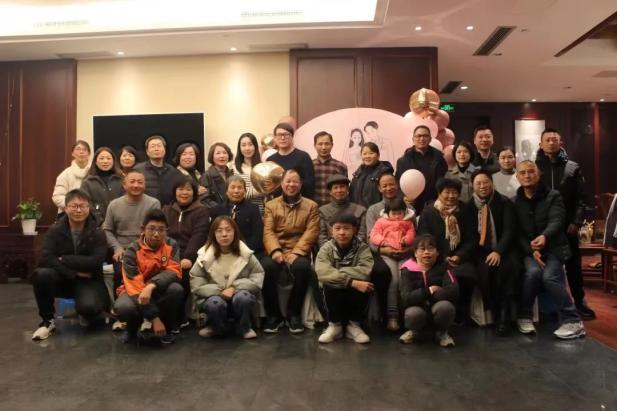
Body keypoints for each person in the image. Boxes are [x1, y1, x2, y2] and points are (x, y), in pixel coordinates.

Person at [513, 160, 585, 339]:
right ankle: (525, 316)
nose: (527, 175)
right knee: (532, 273)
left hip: (554, 248)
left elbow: (557, 221)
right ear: (517, 177)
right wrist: (532, 251)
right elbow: (517, 233)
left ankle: (573, 320)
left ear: (538, 174)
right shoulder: (515, 201)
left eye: (531, 171)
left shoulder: (553, 196)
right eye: (522, 173)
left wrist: (544, 237)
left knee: (549, 277)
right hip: (531, 251)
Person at [32, 189, 110, 340]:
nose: (78, 210)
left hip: (88, 280)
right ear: (66, 208)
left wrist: (65, 259)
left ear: (89, 208)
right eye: (74, 206)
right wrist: (74, 273)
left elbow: (96, 261)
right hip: (64, 278)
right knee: (41, 274)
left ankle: (90, 313)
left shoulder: (97, 231)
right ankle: (47, 321)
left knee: (89, 308)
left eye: (83, 206)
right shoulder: (55, 230)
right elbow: (47, 258)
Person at [535, 128, 595, 319]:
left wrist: (577, 221)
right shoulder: (534, 168)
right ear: (540, 144)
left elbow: (581, 198)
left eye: (555, 139)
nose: (551, 142)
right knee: (544, 266)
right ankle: (548, 308)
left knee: (573, 266)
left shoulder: (572, 167)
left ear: (561, 143)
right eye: (547, 140)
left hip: (568, 225)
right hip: (543, 227)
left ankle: (579, 301)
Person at [261, 169, 319, 334]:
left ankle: (294, 314)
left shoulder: (311, 206)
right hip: (276, 248)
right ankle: (274, 315)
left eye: (295, 181)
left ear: (300, 184)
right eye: (288, 181)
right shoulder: (271, 205)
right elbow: (268, 231)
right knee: (266, 266)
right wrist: (275, 251)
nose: (291, 185)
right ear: (281, 184)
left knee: (302, 268)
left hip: (298, 249)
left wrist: (297, 252)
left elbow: (311, 232)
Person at [113, 209, 184, 344]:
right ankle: (131, 330)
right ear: (143, 229)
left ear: (166, 231)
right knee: (124, 307)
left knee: (176, 290)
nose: (156, 234)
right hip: (133, 292)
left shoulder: (171, 245)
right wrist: (154, 318)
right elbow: (134, 287)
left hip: (158, 289)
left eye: (161, 230)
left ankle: (167, 329)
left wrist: (151, 285)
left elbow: (174, 270)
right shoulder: (131, 251)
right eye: (151, 229)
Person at [190, 216, 264, 339]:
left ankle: (244, 327)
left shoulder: (245, 253)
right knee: (214, 303)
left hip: (238, 298)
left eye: (228, 230)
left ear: (235, 232)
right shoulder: (204, 256)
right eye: (219, 231)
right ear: (213, 234)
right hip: (215, 298)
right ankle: (216, 327)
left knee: (244, 297)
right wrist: (219, 291)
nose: (224, 234)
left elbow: (258, 275)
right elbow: (196, 282)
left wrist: (234, 288)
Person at [417, 178, 478, 322]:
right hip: (436, 258)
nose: (451, 196)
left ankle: (460, 314)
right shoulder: (429, 212)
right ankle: (436, 314)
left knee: (468, 275)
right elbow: (424, 238)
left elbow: (472, 239)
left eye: (454, 192)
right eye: (447, 192)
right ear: (439, 193)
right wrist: (442, 256)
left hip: (460, 258)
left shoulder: (466, 210)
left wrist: (459, 256)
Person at [470, 170, 519, 335]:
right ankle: (494, 310)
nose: (482, 186)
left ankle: (504, 314)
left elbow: (509, 230)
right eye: (478, 183)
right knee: (485, 269)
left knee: (507, 268)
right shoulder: (469, 206)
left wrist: (498, 251)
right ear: (473, 186)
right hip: (481, 251)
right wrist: (485, 252)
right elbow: (470, 236)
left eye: (486, 182)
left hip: (504, 248)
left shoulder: (504, 202)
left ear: (492, 183)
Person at [316, 212, 374, 344]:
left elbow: (365, 271)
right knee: (328, 282)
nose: (342, 232)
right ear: (331, 230)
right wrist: (351, 282)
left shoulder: (363, 248)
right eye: (337, 228)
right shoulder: (326, 249)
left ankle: (354, 326)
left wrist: (337, 272)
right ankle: (334, 326)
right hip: (334, 290)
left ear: (354, 230)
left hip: (354, 292)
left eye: (346, 228)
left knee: (364, 283)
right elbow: (322, 272)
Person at [162, 176, 210, 327]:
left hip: (191, 254)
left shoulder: (202, 210)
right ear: (174, 192)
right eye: (180, 189)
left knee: (183, 273)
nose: (184, 193)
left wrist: (188, 257)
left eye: (188, 189)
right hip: (168, 254)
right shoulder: (166, 210)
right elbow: (162, 235)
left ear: (194, 192)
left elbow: (199, 236)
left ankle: (179, 316)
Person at [103, 170, 161, 296]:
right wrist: (116, 248)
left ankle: (145, 301)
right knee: (120, 273)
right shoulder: (114, 205)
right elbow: (107, 229)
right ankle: (121, 304)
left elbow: (156, 230)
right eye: (132, 182)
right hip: (122, 251)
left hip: (146, 250)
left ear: (144, 185)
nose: (136, 185)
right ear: (124, 185)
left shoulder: (153, 203)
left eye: (140, 182)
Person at [366, 173, 412, 324]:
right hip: (382, 252)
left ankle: (408, 314)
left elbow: (415, 233)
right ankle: (390, 315)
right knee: (389, 276)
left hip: (406, 252)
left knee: (406, 277)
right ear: (379, 188)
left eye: (391, 184)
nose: (389, 188)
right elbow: (370, 237)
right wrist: (384, 250)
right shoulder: (373, 210)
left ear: (397, 185)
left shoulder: (409, 208)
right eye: (384, 185)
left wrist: (408, 249)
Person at [398, 234, 458, 347]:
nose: (426, 252)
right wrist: (429, 290)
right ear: (415, 253)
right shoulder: (407, 270)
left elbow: (453, 290)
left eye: (430, 249)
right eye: (422, 249)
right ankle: (414, 332)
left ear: (437, 252)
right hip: (417, 309)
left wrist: (433, 295)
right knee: (413, 314)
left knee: (445, 307)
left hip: (437, 308)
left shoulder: (445, 267)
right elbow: (406, 298)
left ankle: (442, 333)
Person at [370, 196, 416, 331]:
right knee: (393, 281)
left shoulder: (408, 223)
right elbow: (374, 234)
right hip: (388, 255)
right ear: (387, 212)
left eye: (399, 213)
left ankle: (405, 313)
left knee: (404, 280)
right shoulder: (381, 222)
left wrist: (406, 241)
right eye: (393, 213)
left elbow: (412, 234)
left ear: (404, 212)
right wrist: (383, 242)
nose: (397, 216)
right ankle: (392, 315)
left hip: (403, 255)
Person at [395, 125, 447, 214]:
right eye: (418, 136)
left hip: (435, 203)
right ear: (413, 139)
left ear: (430, 139)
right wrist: (404, 197)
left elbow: (444, 179)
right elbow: (397, 181)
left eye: (425, 136)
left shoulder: (439, 158)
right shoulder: (403, 160)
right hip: (412, 204)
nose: (422, 139)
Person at [210, 175, 263, 257]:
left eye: (240, 188)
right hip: (222, 251)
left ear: (245, 191)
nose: (236, 191)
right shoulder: (217, 210)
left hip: (247, 251)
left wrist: (244, 251)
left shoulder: (253, 209)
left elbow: (257, 235)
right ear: (226, 191)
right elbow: (212, 234)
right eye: (233, 187)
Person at [267, 122, 315, 199]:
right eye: (279, 135)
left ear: (292, 137)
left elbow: (310, 183)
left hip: (300, 201)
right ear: (275, 138)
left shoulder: (303, 157)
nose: (283, 138)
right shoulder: (270, 160)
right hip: (277, 203)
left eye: (286, 134)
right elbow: (269, 185)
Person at [318, 174, 366, 247]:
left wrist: (354, 249)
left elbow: (362, 235)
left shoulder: (360, 210)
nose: (339, 190)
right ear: (330, 191)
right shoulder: (323, 211)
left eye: (342, 187)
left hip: (356, 249)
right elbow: (321, 236)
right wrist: (329, 250)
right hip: (329, 250)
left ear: (347, 189)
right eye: (335, 188)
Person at [80, 146, 124, 225]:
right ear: (96, 162)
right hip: (95, 224)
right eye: (101, 158)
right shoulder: (87, 182)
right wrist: (99, 221)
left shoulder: (121, 180)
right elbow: (86, 203)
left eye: (108, 158)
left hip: (120, 222)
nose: (105, 161)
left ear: (113, 161)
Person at [134, 135, 182, 206]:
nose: (156, 149)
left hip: (168, 210)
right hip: (145, 209)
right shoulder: (138, 170)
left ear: (165, 149)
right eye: (153, 146)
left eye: (159, 146)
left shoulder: (174, 172)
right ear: (147, 151)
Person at [349, 142, 394, 208]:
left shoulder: (384, 172)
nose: (367, 156)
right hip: (358, 212)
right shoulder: (358, 173)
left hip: (377, 211)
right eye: (364, 154)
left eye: (371, 153)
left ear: (378, 155)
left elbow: (390, 194)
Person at [52, 140, 91, 215]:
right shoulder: (65, 174)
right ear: (72, 153)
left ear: (89, 154)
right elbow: (57, 197)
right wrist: (75, 206)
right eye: (78, 149)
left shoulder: (94, 174)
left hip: (91, 214)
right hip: (68, 215)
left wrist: (87, 207)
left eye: (84, 149)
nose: (81, 152)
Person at [312, 131, 348, 207]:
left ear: (332, 145)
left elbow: (345, 191)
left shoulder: (340, 166)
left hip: (335, 209)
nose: (323, 147)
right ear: (315, 146)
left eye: (327, 144)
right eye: (320, 144)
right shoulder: (309, 165)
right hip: (313, 209)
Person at [232, 132, 265, 212]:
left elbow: (268, 189)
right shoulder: (233, 167)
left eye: (250, 144)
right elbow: (236, 193)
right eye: (243, 145)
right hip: (240, 211)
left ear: (255, 146)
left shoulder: (263, 167)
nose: (247, 148)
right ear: (239, 148)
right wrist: (262, 191)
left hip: (260, 211)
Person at [200, 142, 234, 208]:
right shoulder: (206, 176)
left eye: (224, 153)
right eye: (218, 153)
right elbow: (204, 199)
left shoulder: (232, 174)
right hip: (216, 212)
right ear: (212, 156)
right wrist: (220, 209)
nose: (222, 156)